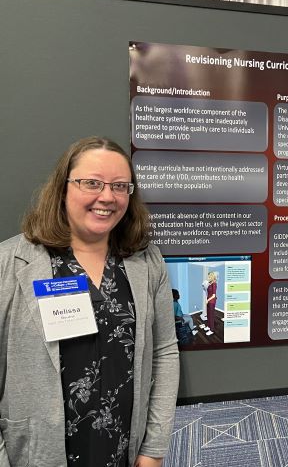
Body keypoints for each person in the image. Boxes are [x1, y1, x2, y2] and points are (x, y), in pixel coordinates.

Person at [0, 137, 179, 467]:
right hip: (37, 453)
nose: (107, 197)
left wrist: (153, 448)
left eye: (120, 186)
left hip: (123, 447)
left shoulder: (146, 261)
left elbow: (165, 351)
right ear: (63, 187)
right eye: (91, 183)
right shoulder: (10, 263)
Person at [205, 271, 218, 335]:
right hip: (208, 301)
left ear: (212, 276)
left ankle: (212, 330)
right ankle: (209, 326)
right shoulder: (210, 283)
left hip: (211, 302)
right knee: (208, 314)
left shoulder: (214, 284)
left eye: (209, 276)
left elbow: (213, 295)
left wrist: (208, 300)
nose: (208, 277)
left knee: (211, 315)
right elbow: (209, 293)